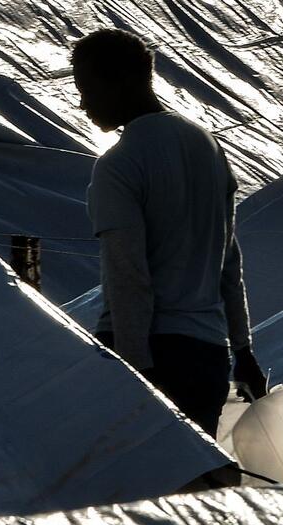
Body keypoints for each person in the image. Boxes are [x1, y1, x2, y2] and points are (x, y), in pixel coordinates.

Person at [72, 28, 267, 437]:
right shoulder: (206, 146)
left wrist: (136, 373)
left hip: (150, 352)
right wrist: (242, 349)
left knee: (143, 492)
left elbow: (128, 278)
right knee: (199, 491)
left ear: (121, 80)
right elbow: (228, 261)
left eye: (87, 88)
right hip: (206, 356)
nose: (82, 103)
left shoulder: (119, 165)